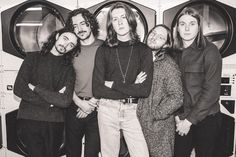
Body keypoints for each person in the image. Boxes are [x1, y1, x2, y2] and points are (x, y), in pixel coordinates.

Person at [92, 2, 153, 157]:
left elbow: (145, 90)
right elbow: (97, 89)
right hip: (107, 109)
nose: (119, 22)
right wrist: (132, 87)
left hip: (132, 111)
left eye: (123, 17)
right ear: (111, 24)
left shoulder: (143, 50)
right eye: (115, 18)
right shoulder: (103, 50)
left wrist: (112, 84)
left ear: (131, 20)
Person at [13, 28, 80, 157]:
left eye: (71, 45)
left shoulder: (69, 69)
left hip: (54, 122)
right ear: (57, 36)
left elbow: (65, 101)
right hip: (29, 119)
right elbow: (19, 88)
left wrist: (36, 88)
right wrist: (50, 101)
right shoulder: (32, 58)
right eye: (65, 39)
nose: (66, 45)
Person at [172, 7, 222, 157]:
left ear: (198, 27)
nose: (187, 28)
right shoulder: (174, 53)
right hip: (180, 118)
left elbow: (212, 92)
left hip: (206, 118)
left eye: (192, 23)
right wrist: (176, 116)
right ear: (177, 28)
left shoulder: (210, 51)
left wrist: (188, 121)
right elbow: (172, 88)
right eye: (182, 24)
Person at [137, 24, 183, 157]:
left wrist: (155, 114)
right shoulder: (138, 59)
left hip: (159, 129)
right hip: (136, 125)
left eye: (160, 37)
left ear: (166, 45)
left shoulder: (168, 64)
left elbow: (177, 97)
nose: (154, 37)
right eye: (153, 33)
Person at [65, 8, 103, 157]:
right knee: (72, 153)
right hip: (74, 107)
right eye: (75, 26)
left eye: (82, 23)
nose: (79, 29)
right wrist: (79, 103)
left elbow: (111, 78)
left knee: (92, 153)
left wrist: (92, 103)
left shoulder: (105, 47)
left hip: (98, 109)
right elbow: (64, 79)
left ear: (91, 24)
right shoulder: (71, 49)